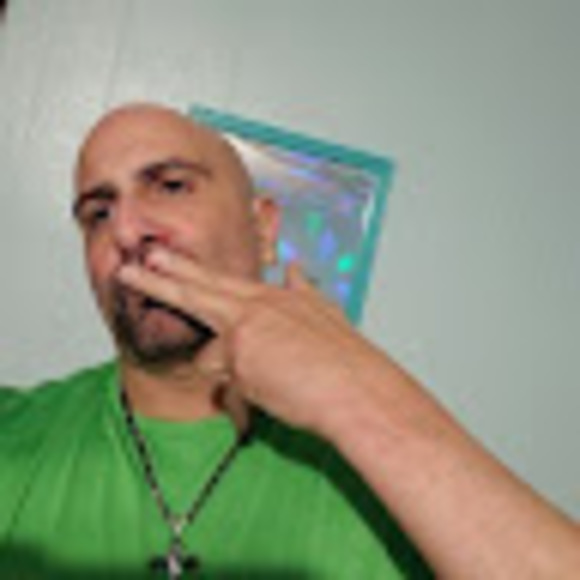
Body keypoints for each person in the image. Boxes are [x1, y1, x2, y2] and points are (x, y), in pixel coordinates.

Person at [0, 103, 578, 579]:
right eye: (98, 214)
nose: (127, 231)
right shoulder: (14, 435)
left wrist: (358, 397)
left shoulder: (393, 480)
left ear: (264, 229)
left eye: (171, 186)